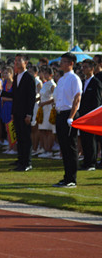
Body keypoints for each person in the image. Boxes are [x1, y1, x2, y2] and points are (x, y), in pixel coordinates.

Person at [52, 52, 82, 188]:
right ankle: (66, 177)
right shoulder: (62, 79)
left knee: (71, 147)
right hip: (60, 114)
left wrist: (71, 116)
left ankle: (72, 179)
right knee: (64, 147)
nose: (61, 64)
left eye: (64, 61)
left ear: (71, 63)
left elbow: (77, 98)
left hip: (69, 114)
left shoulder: (74, 78)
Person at [11, 54, 37, 172]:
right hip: (17, 112)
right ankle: (21, 160)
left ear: (26, 62)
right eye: (15, 61)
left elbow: (31, 98)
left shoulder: (29, 77)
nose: (16, 63)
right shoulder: (16, 77)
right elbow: (14, 96)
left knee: (26, 137)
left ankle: (27, 162)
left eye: (19, 60)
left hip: (25, 113)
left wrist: (29, 114)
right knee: (19, 137)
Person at [77, 59, 102, 171]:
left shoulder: (96, 83)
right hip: (82, 115)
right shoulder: (82, 82)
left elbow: (97, 101)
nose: (83, 69)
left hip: (91, 116)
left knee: (92, 140)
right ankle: (86, 161)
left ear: (92, 68)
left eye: (86, 67)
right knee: (84, 139)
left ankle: (92, 162)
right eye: (83, 67)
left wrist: (92, 116)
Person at [34, 66, 57, 158]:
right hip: (42, 108)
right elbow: (42, 95)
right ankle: (44, 148)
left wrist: (44, 103)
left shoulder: (52, 84)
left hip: (48, 108)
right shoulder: (45, 84)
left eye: (46, 73)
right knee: (42, 130)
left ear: (51, 75)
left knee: (49, 131)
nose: (44, 75)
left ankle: (49, 149)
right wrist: (37, 100)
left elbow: (54, 98)